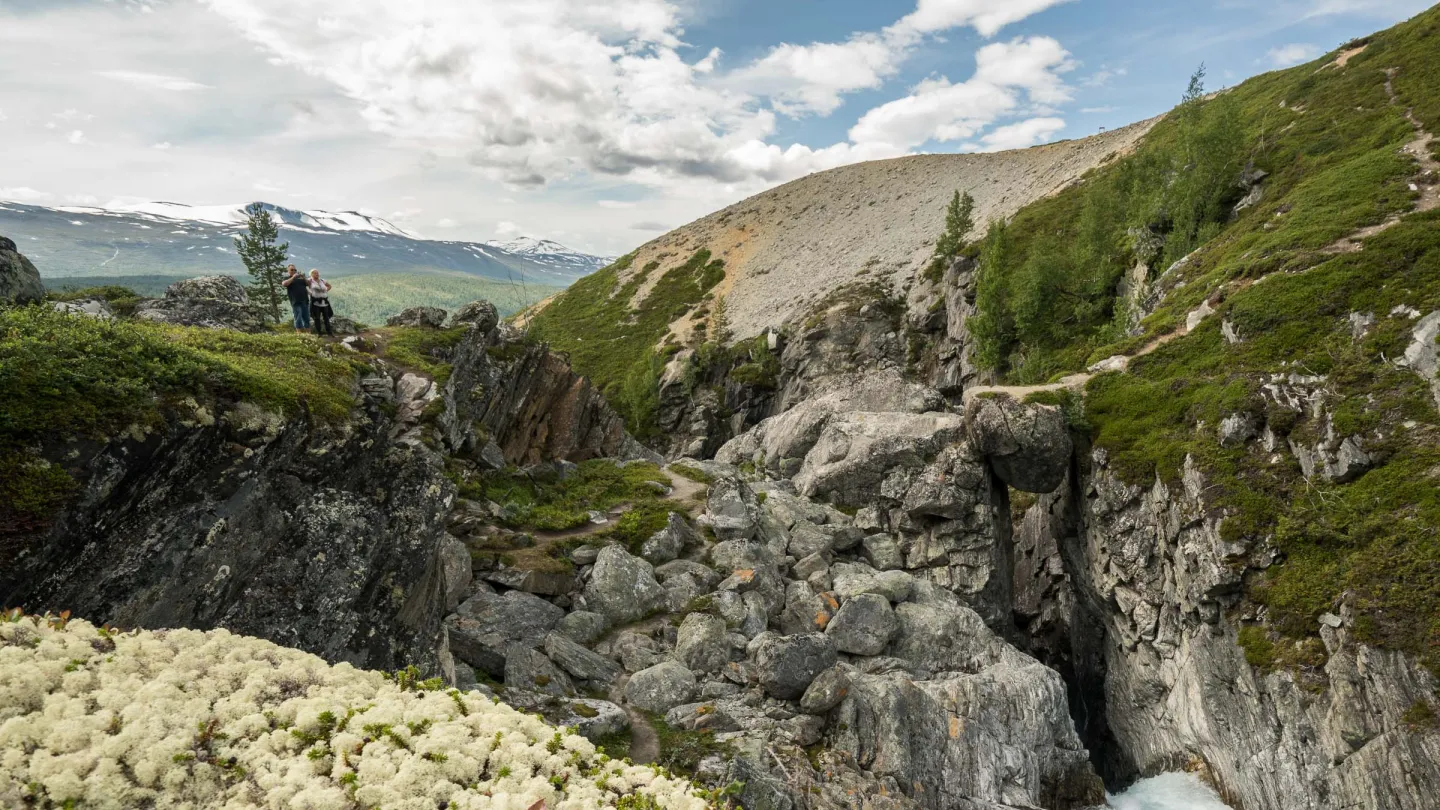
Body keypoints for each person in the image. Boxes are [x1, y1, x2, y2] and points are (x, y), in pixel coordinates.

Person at [281, 264, 310, 332]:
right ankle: (299, 334)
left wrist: (304, 278)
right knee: (298, 317)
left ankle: (308, 333)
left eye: (295, 270)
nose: (294, 271)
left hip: (305, 300)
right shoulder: (287, 278)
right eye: (292, 270)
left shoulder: (301, 278)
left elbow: (309, 284)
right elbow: (284, 284)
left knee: (306, 317)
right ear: (288, 271)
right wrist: (293, 277)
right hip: (295, 301)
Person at [307, 268, 335, 336]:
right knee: (317, 318)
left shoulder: (322, 280)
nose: (317, 274)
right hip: (315, 302)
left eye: (317, 273)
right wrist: (310, 293)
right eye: (315, 273)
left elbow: (329, 286)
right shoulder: (309, 281)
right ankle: (319, 333)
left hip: (324, 302)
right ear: (311, 274)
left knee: (326, 317)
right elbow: (305, 288)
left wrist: (325, 291)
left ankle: (329, 332)